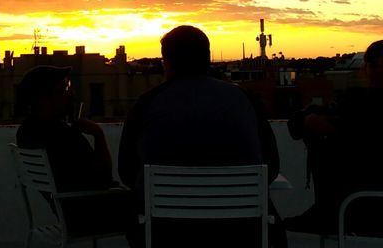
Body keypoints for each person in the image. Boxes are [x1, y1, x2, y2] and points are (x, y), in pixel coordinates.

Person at [118, 25, 284, 248]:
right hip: (242, 234)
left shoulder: (146, 104)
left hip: (165, 235)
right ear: (207, 58)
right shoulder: (244, 99)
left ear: (166, 62)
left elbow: (127, 173)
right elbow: (271, 167)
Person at [284, 39, 383, 238]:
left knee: (327, 147)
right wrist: (311, 121)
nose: (380, 71)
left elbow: (367, 145)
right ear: (365, 69)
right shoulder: (367, 102)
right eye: (374, 65)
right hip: (370, 197)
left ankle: (326, 214)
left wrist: (327, 129)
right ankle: (325, 212)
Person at [15, 65, 132, 237]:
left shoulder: (26, 132)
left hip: (68, 213)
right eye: (64, 88)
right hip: (89, 215)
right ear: (43, 98)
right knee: (151, 207)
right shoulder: (61, 135)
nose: (70, 93)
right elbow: (104, 176)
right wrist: (98, 134)